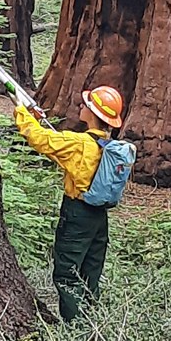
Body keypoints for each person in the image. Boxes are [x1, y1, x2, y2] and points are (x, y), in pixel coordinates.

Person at [13, 86, 124, 322]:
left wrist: (22, 112)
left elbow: (40, 139)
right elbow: (57, 148)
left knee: (67, 274)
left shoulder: (79, 144)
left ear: (93, 114)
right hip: (99, 218)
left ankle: (74, 327)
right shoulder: (109, 147)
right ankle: (92, 323)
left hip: (77, 214)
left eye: (86, 105)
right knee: (90, 272)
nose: (81, 107)